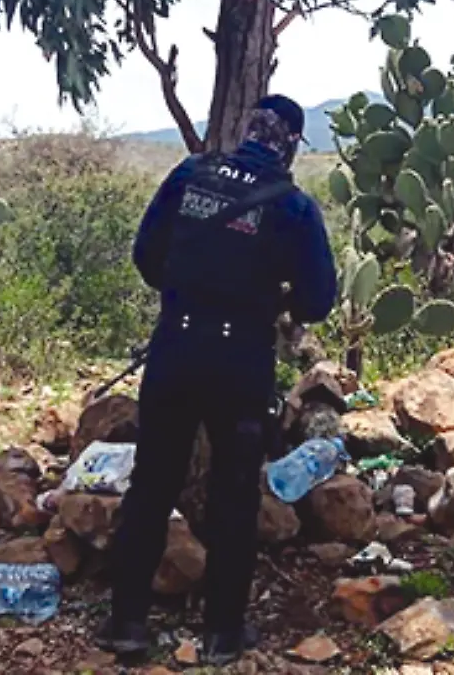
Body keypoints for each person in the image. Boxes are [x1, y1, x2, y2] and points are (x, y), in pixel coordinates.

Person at [94, 95, 338, 665]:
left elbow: (146, 254)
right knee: (234, 495)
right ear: (291, 145)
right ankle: (222, 633)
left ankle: (127, 622)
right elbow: (318, 300)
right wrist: (273, 297)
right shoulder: (294, 206)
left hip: (175, 344)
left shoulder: (189, 172)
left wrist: (187, 289)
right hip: (241, 358)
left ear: (249, 130)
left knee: (152, 483)